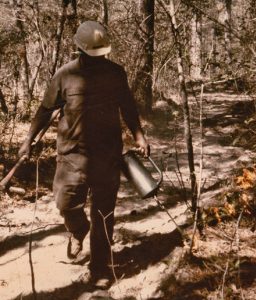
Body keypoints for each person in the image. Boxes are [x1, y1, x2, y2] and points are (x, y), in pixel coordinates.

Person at [18, 20, 149, 288]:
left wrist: (139, 135)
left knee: (104, 213)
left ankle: (99, 268)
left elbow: (128, 106)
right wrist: (28, 140)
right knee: (65, 203)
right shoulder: (64, 76)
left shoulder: (116, 73)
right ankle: (78, 230)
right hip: (70, 155)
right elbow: (44, 110)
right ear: (79, 50)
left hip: (108, 155)